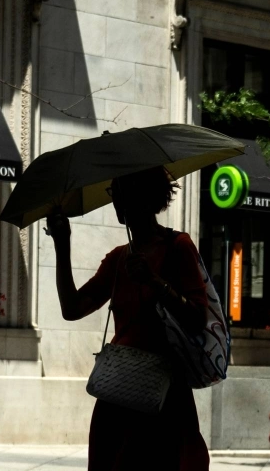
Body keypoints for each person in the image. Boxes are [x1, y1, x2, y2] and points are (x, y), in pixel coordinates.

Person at [47, 167, 210, 471]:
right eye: (114, 192)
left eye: (121, 192)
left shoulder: (178, 247)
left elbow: (198, 318)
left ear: (147, 198)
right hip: (118, 393)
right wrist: (61, 244)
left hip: (162, 396)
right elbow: (72, 308)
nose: (116, 201)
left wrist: (155, 281)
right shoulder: (119, 258)